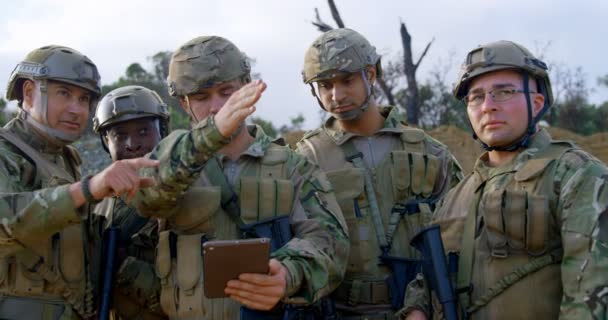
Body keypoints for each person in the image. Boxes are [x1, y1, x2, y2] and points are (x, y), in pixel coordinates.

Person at [131, 35, 349, 319]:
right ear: (184, 104)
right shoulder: (169, 162)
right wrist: (209, 136)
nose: (216, 107)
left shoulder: (292, 166)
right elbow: (146, 200)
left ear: (247, 88)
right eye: (201, 97)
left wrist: (289, 272)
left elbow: (330, 239)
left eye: (226, 91)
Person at [401, 40, 608, 320]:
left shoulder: (576, 175)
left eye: (504, 92)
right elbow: (428, 278)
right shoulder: (456, 195)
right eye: (476, 97)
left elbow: (593, 296)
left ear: (536, 103)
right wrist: (416, 308)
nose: (487, 106)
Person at [296, 28, 462, 319]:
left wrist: (427, 304)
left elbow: (460, 233)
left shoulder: (428, 152)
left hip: (423, 309)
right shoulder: (307, 159)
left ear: (370, 75)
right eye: (324, 85)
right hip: (339, 310)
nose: (336, 95)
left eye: (347, 80)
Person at [0, 45, 158, 319]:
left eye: (84, 99)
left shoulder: (64, 160)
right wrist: (88, 189)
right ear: (28, 92)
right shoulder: (7, 154)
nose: (76, 109)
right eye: (64, 94)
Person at [92, 85, 171, 320]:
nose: (132, 144)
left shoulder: (184, 195)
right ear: (106, 142)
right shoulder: (98, 203)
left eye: (144, 131)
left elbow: (190, 297)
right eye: (119, 135)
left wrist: (123, 266)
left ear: (162, 132)